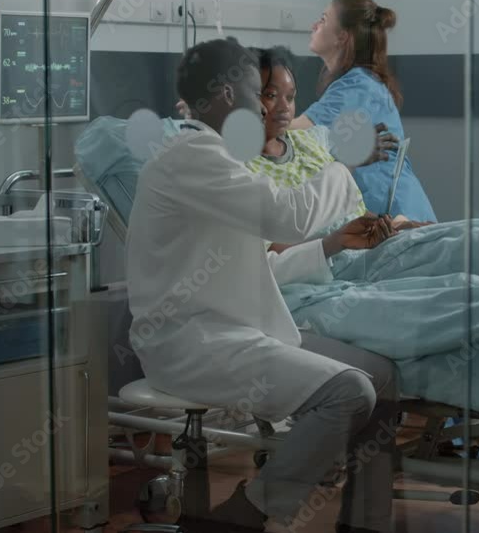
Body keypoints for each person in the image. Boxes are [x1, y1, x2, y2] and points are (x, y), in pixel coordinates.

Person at [126, 37, 400, 533]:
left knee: (381, 375)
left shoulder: (219, 158)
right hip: (191, 342)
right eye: (259, 93)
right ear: (228, 94)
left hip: (237, 328)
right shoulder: (190, 157)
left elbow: (258, 268)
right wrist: (340, 165)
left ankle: (365, 522)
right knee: (350, 391)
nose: (266, 108)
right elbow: (288, 216)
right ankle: (247, 513)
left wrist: (330, 245)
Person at [247, 45, 432, 254]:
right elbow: (271, 253)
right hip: (332, 260)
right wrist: (336, 242)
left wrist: (393, 227)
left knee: (453, 238)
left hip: (368, 249)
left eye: (290, 97)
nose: (284, 107)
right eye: (271, 95)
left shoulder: (309, 142)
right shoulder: (243, 169)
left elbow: (354, 214)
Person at [289, 0, 437, 223]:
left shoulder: (357, 87)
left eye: (323, 19)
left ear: (342, 37)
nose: (314, 25)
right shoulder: (360, 83)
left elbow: (290, 134)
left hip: (397, 215)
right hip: (393, 212)